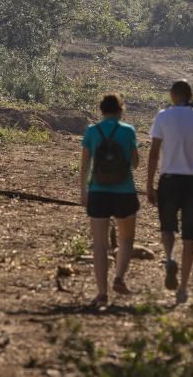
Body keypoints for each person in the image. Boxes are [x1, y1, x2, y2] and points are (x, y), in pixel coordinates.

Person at [146, 79, 193, 304]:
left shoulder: (163, 117)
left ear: (172, 95)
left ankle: (169, 257)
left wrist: (149, 184)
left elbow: (153, 153)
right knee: (190, 239)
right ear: (190, 95)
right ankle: (183, 289)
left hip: (169, 180)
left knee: (167, 228)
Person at [80, 93, 141, 307]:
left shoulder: (92, 131)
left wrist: (83, 191)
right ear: (120, 110)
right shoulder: (128, 131)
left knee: (99, 244)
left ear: (101, 110)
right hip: (124, 192)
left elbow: (85, 164)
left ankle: (102, 293)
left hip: (98, 191)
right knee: (126, 239)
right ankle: (119, 278)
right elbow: (134, 164)